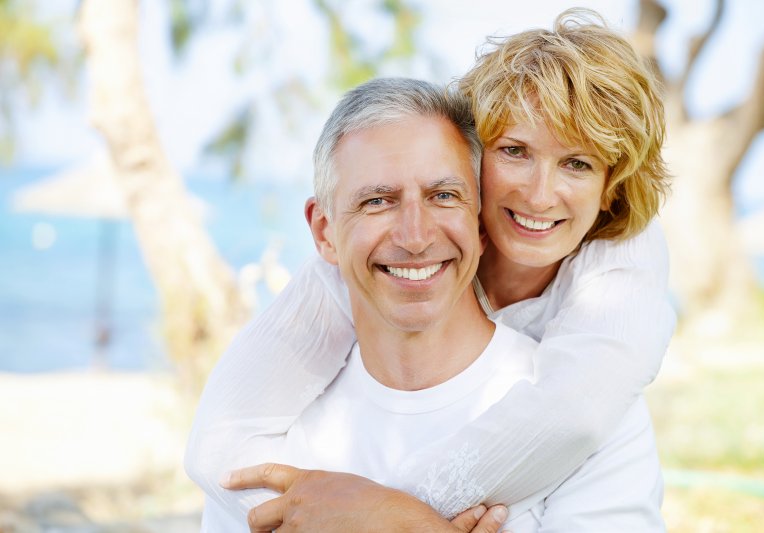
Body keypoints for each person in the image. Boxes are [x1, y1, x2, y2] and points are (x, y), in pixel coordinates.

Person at [185, 8, 674, 530]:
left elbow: (572, 416)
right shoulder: (348, 268)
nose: (539, 193)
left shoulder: (621, 277)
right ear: (473, 164)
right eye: (514, 151)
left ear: (611, 187)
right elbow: (219, 440)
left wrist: (394, 518)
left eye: (578, 163)